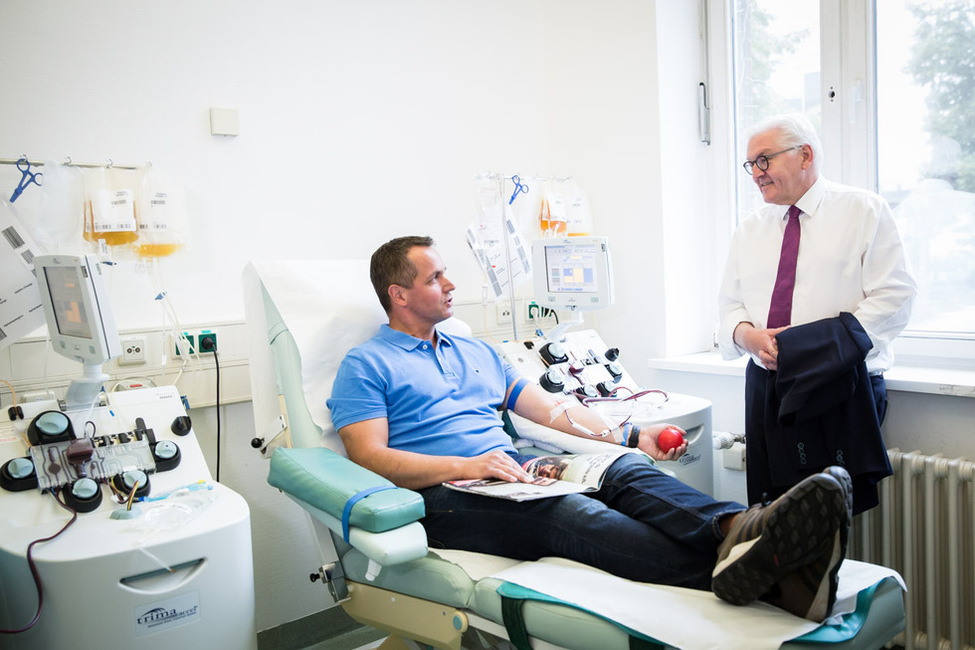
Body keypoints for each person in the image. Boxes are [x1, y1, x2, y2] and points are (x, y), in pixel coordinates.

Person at [328, 235, 853, 622]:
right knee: (567, 510)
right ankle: (765, 572)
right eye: (435, 277)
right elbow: (369, 457)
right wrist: (469, 465)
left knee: (623, 472)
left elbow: (552, 409)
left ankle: (739, 530)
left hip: (513, 469)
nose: (451, 284)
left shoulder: (475, 350)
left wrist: (628, 437)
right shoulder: (367, 365)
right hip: (446, 492)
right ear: (399, 295)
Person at [718, 114, 917, 514]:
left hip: (839, 388)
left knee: (829, 518)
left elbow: (894, 297)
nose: (755, 174)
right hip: (768, 389)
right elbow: (730, 305)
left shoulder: (864, 211)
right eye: (750, 165)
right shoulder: (749, 229)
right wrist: (747, 337)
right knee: (770, 512)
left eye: (764, 160)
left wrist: (810, 349)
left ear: (804, 155)